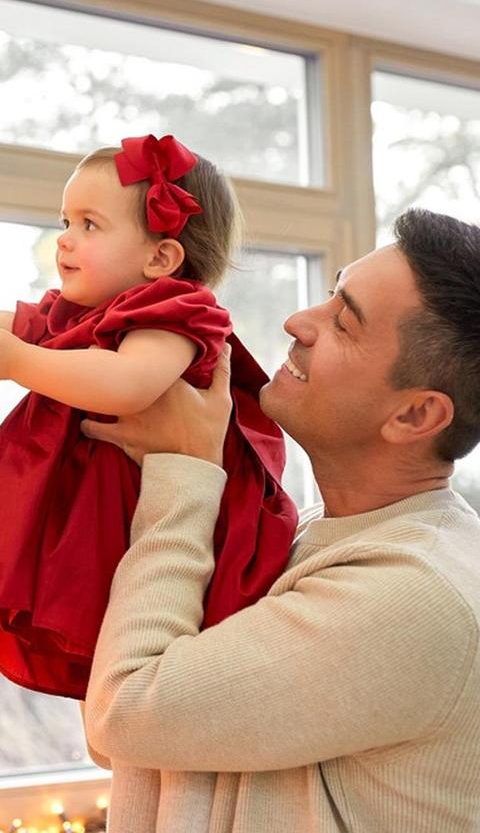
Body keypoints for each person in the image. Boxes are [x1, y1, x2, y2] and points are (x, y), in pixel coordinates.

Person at [81, 207, 480, 832]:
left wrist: (182, 469)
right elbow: (132, 742)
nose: (299, 321)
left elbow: (124, 716)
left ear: (415, 416)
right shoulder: (312, 536)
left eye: (343, 322)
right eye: (331, 295)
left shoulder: (416, 594)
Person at [0, 134, 297, 699]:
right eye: (65, 220)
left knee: (153, 664)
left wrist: (20, 360)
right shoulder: (71, 316)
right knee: (118, 664)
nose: (65, 240)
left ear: (161, 258)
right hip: (105, 519)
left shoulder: (178, 314)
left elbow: (127, 384)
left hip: (172, 525)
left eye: (89, 225)